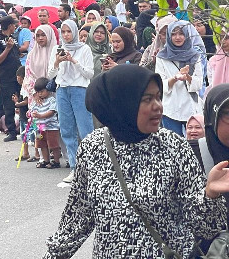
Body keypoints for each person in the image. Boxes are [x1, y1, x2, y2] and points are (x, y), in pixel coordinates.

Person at [44, 64, 227, 259]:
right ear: (122, 102)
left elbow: (206, 228)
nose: (158, 106)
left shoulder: (175, 147)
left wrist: (210, 195)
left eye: (158, 96)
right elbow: (77, 219)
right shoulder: (93, 147)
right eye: (147, 99)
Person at [48, 19, 94, 184]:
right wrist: (57, 62)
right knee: (67, 130)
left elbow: (89, 73)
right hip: (62, 90)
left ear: (74, 32)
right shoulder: (57, 48)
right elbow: (50, 74)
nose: (66, 35)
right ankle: (75, 168)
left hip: (79, 90)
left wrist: (74, 61)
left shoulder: (84, 48)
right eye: (64, 32)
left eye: (69, 31)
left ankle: (90, 168)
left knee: (85, 130)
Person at [155, 20, 203, 136]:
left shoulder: (194, 56)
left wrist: (188, 77)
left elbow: (199, 83)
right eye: (173, 34)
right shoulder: (162, 57)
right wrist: (175, 78)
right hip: (171, 108)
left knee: (194, 142)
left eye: (181, 34)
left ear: (186, 35)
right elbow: (160, 84)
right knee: (172, 143)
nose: (178, 37)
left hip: (191, 107)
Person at [0, 16, 22, 141]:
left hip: (18, 76)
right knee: (9, 105)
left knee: (22, 101)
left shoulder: (13, 39)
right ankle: (11, 131)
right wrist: (7, 48)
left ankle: (24, 129)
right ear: (8, 26)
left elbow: (17, 53)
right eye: (13, 25)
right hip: (6, 77)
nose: (15, 27)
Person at [30, 77, 62, 169]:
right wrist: (32, 114)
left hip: (51, 127)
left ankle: (56, 161)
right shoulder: (37, 101)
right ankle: (46, 160)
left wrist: (40, 115)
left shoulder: (52, 99)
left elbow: (52, 112)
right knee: (41, 144)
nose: (40, 94)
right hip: (40, 127)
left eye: (42, 91)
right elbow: (32, 110)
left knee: (54, 145)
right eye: (38, 92)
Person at [207, 28, 229, 93]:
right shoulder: (213, 62)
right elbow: (211, 84)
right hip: (218, 98)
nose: (222, 42)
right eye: (220, 38)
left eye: (226, 38)